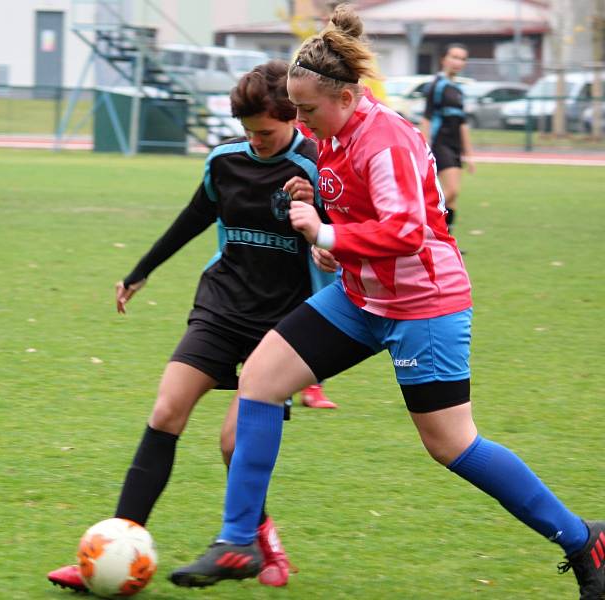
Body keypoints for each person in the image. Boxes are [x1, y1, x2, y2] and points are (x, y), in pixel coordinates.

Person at [169, 6, 604, 599]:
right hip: (361, 298)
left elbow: (404, 231)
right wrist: (328, 233)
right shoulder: (333, 137)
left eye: (307, 110)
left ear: (346, 97)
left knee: (451, 444)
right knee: (262, 381)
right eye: (294, 110)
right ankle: (239, 540)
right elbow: (357, 219)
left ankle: (584, 539)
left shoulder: (386, 139)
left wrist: (324, 234)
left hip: (424, 304)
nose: (299, 121)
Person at [47, 60, 336, 592]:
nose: (257, 142)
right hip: (222, 307)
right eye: (248, 131)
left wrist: (326, 247)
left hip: (284, 324)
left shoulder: (318, 164)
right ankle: (112, 549)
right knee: (165, 411)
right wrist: (140, 272)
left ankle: (259, 539)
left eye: (267, 132)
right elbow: (192, 218)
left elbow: (339, 238)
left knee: (233, 442)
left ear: (293, 117)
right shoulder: (225, 160)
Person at [419, 43, 475, 235]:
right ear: (444, 59)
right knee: (450, 191)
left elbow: (462, 124)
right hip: (440, 143)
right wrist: (424, 146)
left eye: (462, 58)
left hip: (454, 146)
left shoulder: (457, 89)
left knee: (452, 198)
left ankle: (446, 238)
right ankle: (422, 227)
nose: (458, 62)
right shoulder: (437, 85)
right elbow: (426, 117)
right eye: (454, 57)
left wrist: (469, 153)